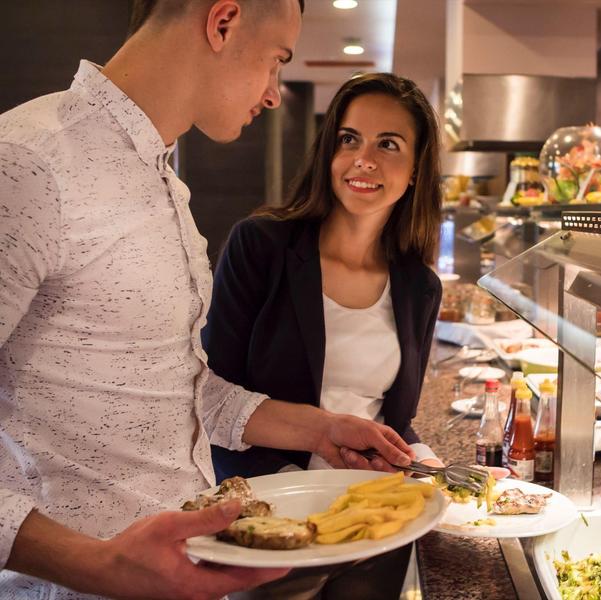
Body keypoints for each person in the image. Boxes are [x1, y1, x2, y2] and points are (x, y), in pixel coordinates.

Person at [0, 2, 413, 599]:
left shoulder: (161, 178)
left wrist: (319, 431)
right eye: (277, 60)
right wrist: (99, 564)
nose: (275, 94)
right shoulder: (29, 163)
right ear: (223, 22)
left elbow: (176, 389)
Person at [202, 71, 443, 600]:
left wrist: (424, 461)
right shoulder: (261, 246)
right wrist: (320, 429)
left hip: (373, 522)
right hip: (271, 521)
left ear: (417, 169)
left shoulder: (420, 285)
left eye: (389, 144)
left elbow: (390, 416)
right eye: (349, 139)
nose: (364, 159)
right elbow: (207, 400)